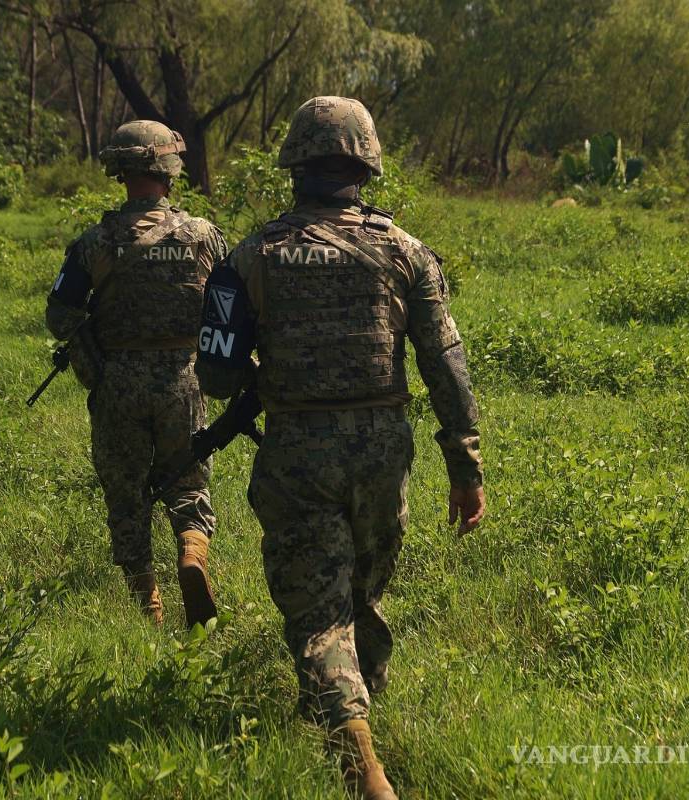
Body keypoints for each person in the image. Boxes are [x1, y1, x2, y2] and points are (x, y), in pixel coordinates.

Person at [194, 96, 485, 799]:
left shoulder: (249, 258)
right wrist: (466, 465)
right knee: (359, 591)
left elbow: (215, 371)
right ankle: (350, 712)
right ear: (366, 165)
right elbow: (446, 365)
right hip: (385, 455)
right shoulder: (408, 253)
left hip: (297, 453)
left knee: (319, 610)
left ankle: (362, 763)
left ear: (295, 163)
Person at [45, 121, 228, 628]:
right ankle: (192, 551)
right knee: (188, 481)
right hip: (183, 381)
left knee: (126, 494)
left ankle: (148, 608)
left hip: (116, 385)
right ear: (171, 172)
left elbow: (59, 317)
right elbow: (230, 309)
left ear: (119, 172)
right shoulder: (203, 236)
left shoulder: (94, 242)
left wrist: (92, 347)